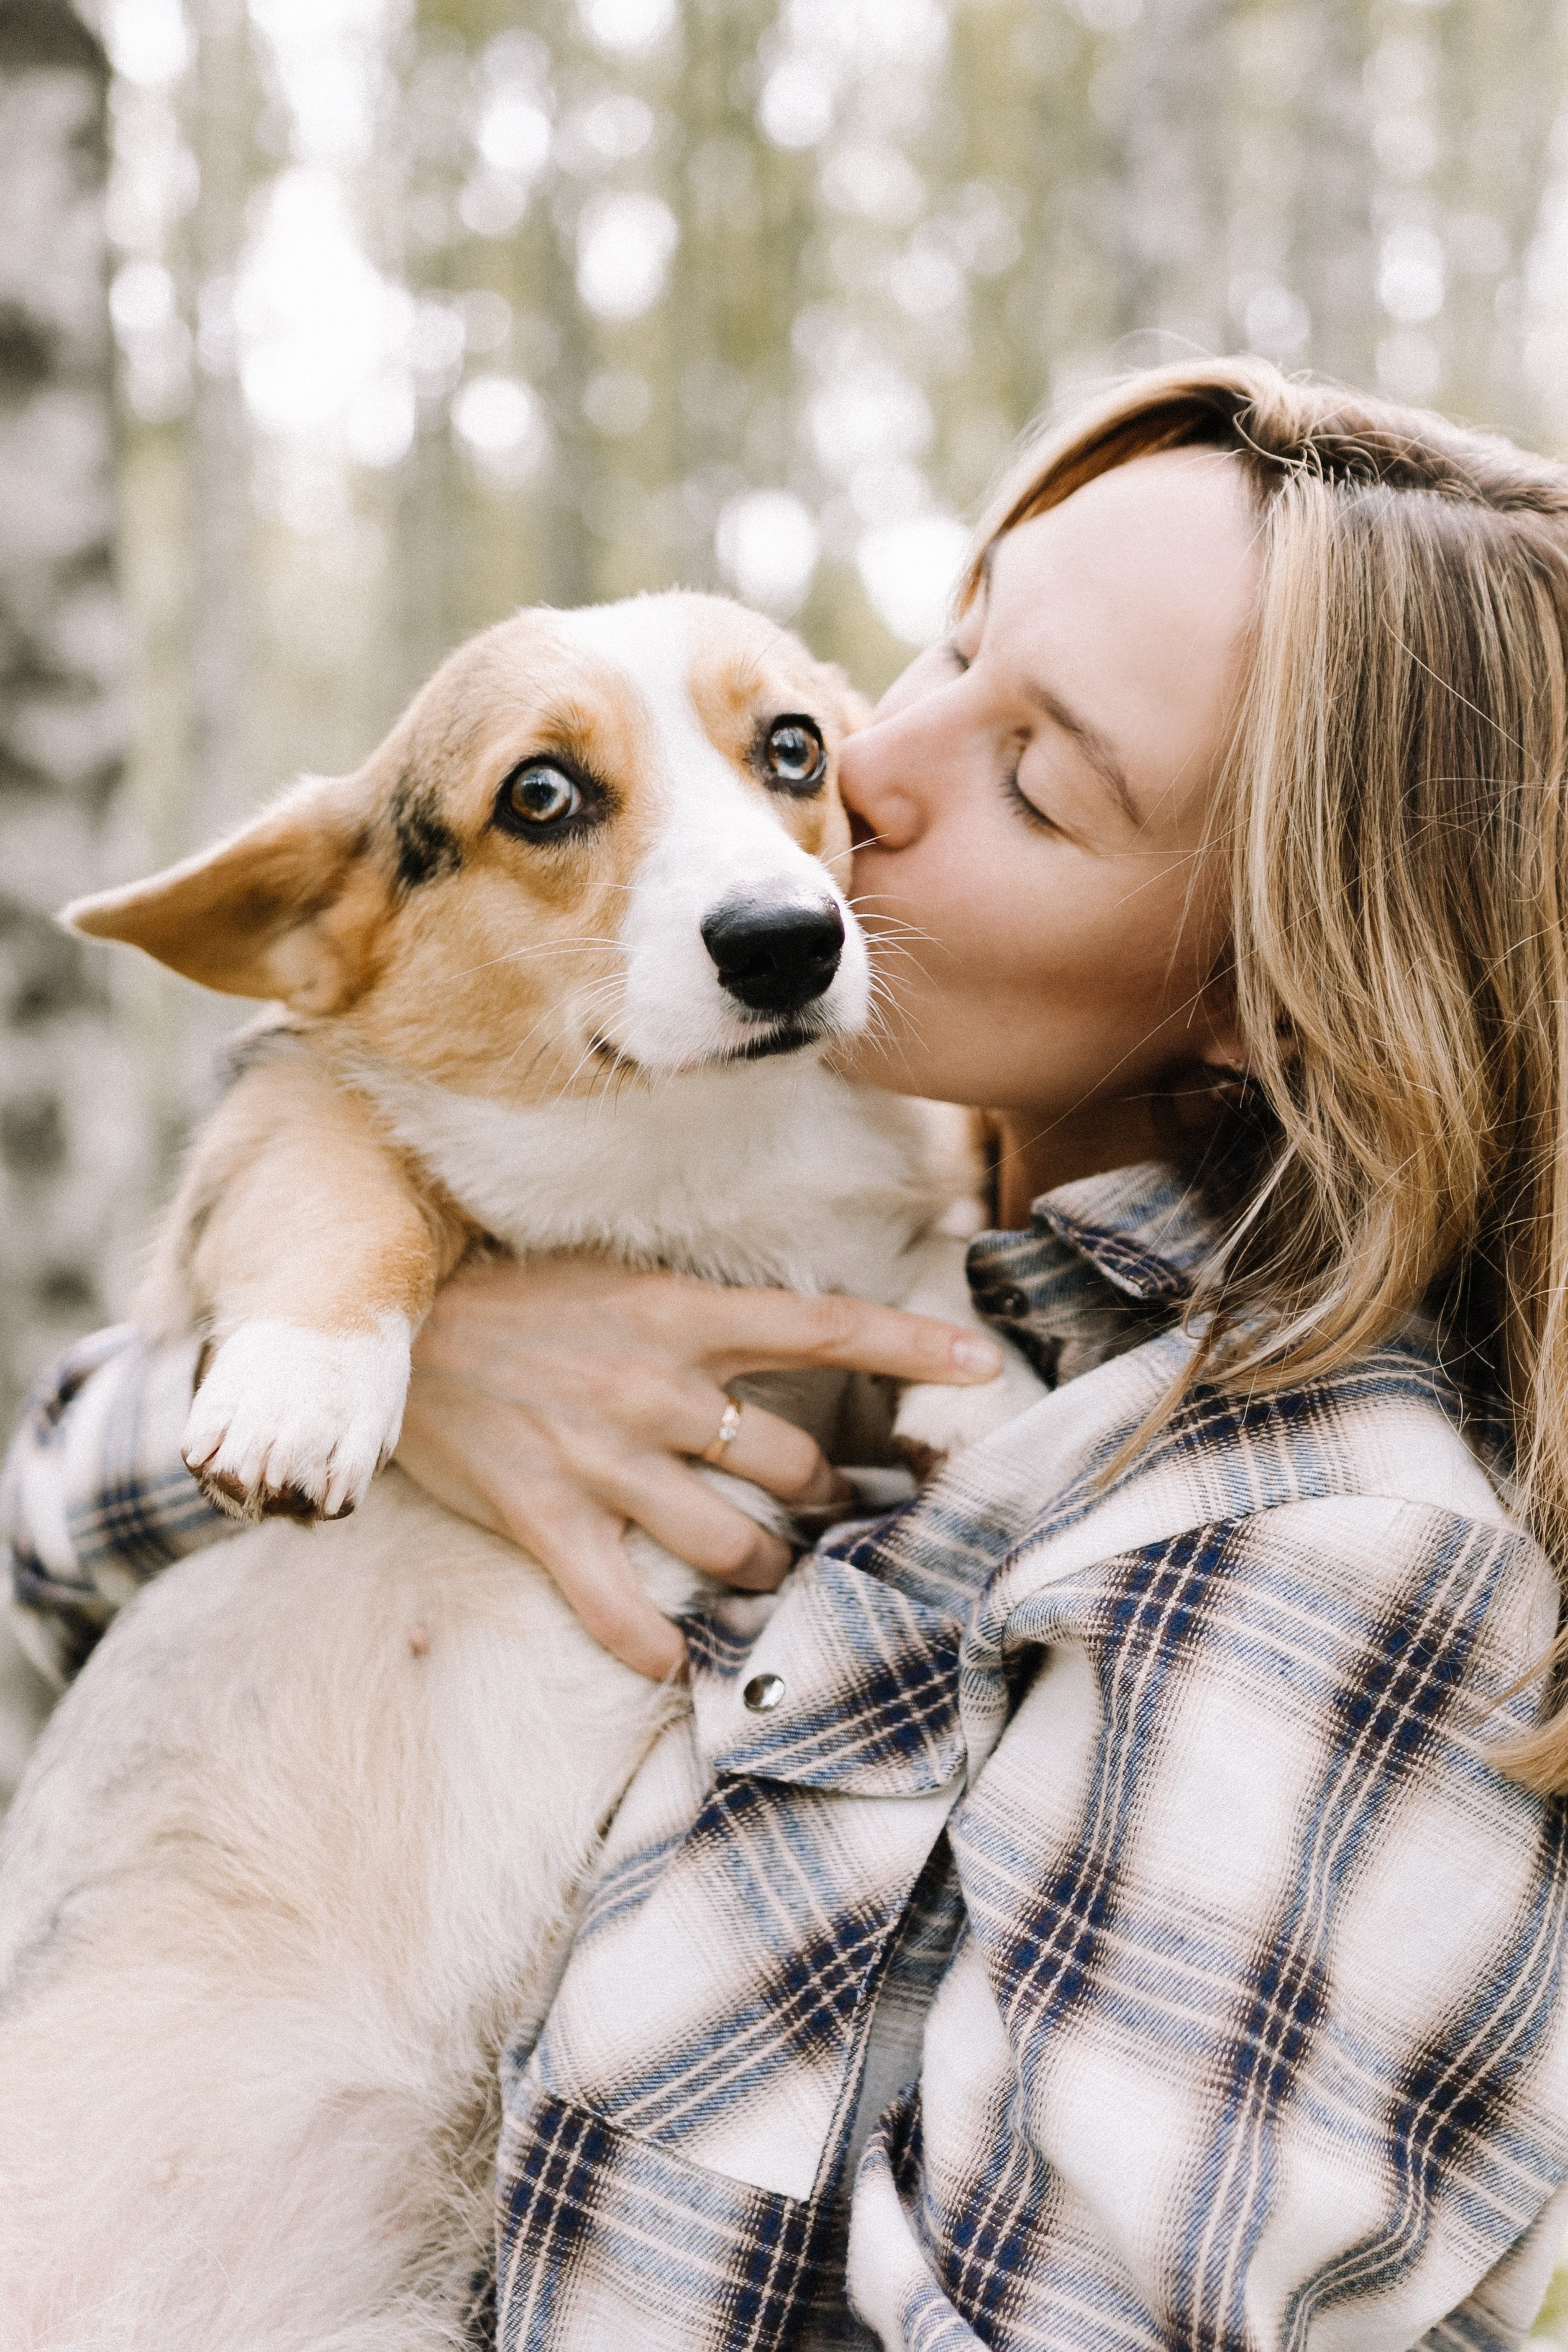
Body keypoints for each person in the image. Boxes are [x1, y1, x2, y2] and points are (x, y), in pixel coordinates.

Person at [7, 357, 1568, 2350]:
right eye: (946, 648)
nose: (857, 795)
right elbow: (61, 1527)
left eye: (1035, 779)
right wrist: (425, 1363)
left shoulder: (1315, 1557)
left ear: (1271, 992)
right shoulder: (708, 1203)